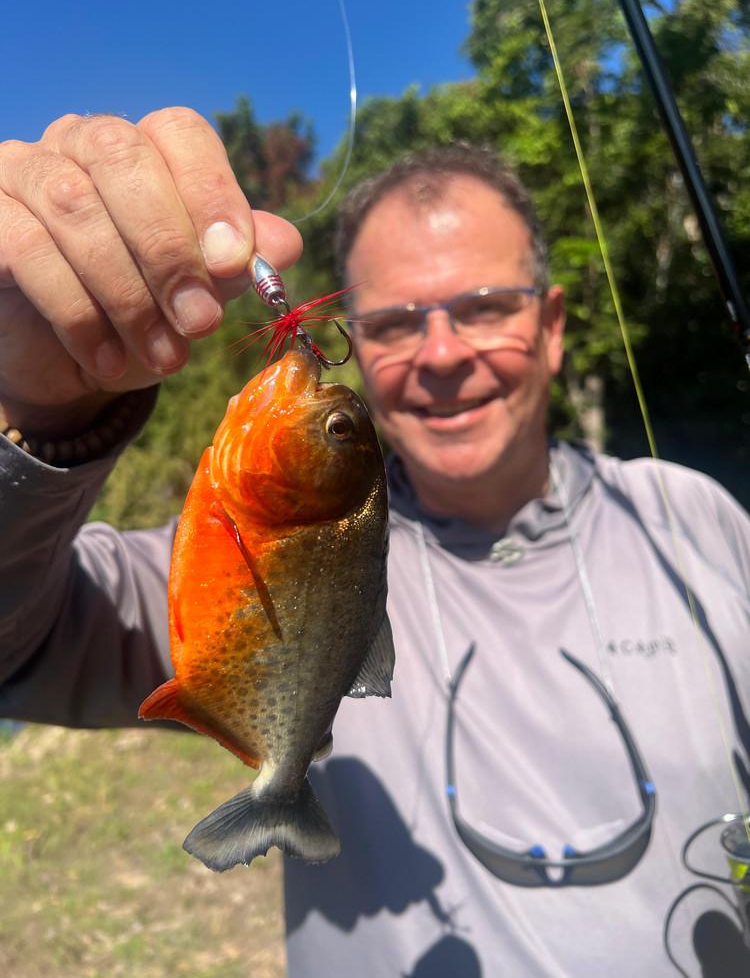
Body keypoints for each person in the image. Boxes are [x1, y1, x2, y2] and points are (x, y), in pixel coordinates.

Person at [0, 110, 749, 977]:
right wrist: (43, 412)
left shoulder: (697, 517)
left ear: (551, 327)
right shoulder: (251, 541)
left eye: (483, 307)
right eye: (392, 322)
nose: (442, 354)